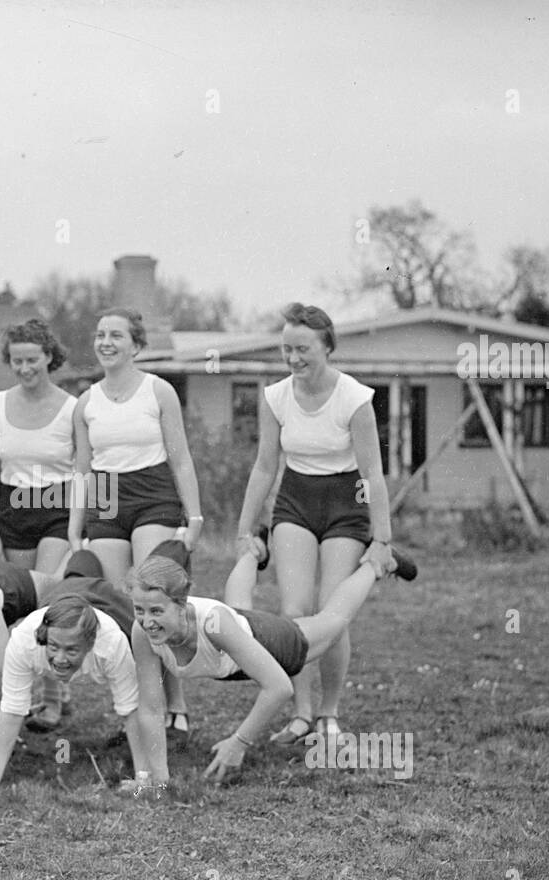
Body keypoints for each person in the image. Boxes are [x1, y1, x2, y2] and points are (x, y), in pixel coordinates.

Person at [233, 302, 396, 743]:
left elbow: (373, 475)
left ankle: (329, 713)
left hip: (346, 504)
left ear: (327, 347)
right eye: (286, 350)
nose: (293, 359)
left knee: (332, 613)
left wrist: (382, 538)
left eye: (302, 349)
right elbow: (265, 466)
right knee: (293, 610)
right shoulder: (275, 397)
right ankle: (301, 712)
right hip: (295, 501)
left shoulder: (354, 399)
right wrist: (245, 529)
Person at [125, 539, 415, 786]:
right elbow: (151, 709)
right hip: (234, 640)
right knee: (237, 603)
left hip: (269, 641)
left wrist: (239, 743)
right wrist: (158, 783)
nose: (147, 621)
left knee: (332, 622)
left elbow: (279, 687)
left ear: (181, 603)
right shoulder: (143, 631)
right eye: (139, 610)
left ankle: (377, 563)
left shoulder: (213, 624)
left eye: (156, 611)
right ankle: (254, 549)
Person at [68, 307, 201, 744]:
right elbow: (83, 472)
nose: (106, 342)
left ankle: (175, 705)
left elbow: (180, 457)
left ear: (136, 345)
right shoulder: (86, 402)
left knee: (153, 602)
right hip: (107, 502)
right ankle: (139, 711)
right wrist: (75, 528)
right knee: (123, 610)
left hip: (154, 498)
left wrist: (194, 517)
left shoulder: (159, 391)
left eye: (116, 336)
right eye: (100, 334)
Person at [0, 592, 166, 795]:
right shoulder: (24, 641)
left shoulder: (111, 644)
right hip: (61, 595)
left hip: (106, 600)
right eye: (53, 647)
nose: (61, 659)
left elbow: (130, 709)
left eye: (71, 650)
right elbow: (12, 708)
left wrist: (142, 778)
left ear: (90, 644)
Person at [0, 318, 76, 575]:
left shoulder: (73, 408)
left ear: (48, 357)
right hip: (14, 507)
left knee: (41, 587)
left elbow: (90, 468)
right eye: (17, 361)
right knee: (3, 583)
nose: (25, 368)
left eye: (32, 360)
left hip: (58, 509)